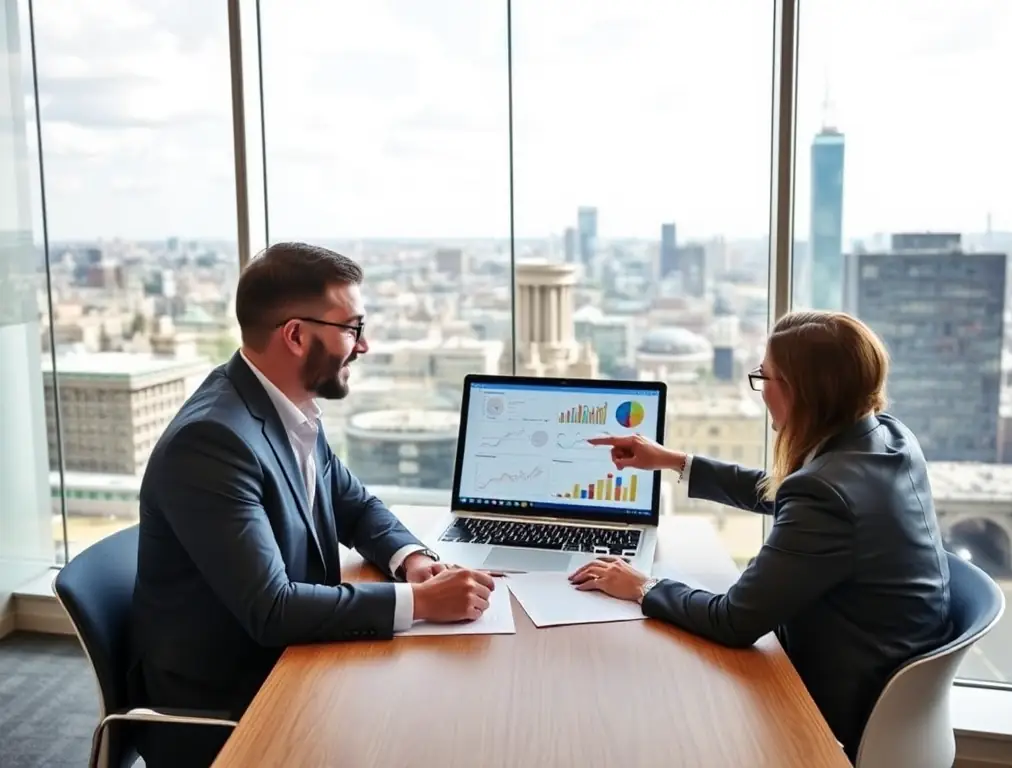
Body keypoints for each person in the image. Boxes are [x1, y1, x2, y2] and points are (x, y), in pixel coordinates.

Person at [129, 242, 495, 768]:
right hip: (234, 702)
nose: (363, 346)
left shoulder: (284, 406)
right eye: (351, 328)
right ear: (296, 335)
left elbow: (355, 505)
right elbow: (272, 610)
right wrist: (424, 604)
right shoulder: (212, 441)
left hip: (298, 661)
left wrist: (412, 562)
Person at [571, 310, 953, 761]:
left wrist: (641, 585)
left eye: (764, 376)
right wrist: (673, 461)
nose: (760, 389)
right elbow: (788, 490)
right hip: (885, 671)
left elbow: (733, 621)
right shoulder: (884, 437)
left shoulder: (826, 492)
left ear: (799, 392)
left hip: (837, 702)